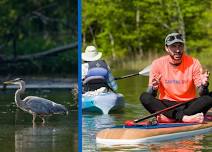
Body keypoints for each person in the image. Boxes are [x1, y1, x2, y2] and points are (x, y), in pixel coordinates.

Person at [140, 32, 212, 123]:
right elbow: (150, 95)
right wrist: (154, 89)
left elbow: (202, 94)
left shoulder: (194, 62)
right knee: (144, 97)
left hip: (189, 105)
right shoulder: (157, 64)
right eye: (173, 46)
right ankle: (184, 118)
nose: (178, 50)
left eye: (180, 46)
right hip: (167, 106)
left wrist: (204, 85)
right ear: (166, 48)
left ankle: (170, 118)